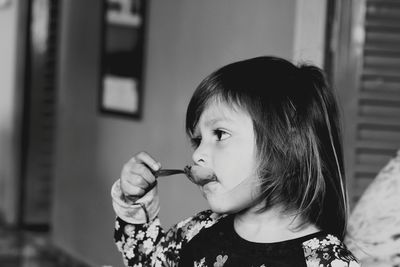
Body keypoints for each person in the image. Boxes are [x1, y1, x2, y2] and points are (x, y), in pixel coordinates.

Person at [111, 56, 360, 266]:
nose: (197, 155)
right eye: (198, 140)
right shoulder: (197, 231)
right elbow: (146, 261)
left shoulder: (327, 261)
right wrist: (134, 201)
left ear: (286, 142)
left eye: (219, 134)